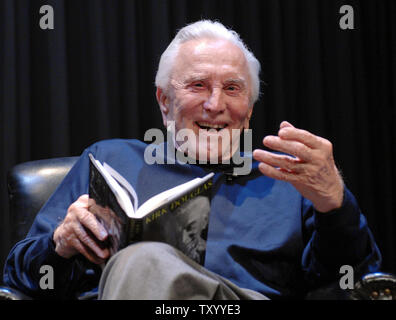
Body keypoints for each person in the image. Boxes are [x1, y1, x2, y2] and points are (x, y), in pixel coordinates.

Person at [3, 20, 381, 300]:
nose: (216, 105)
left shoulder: (288, 177)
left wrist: (333, 202)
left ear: (248, 110)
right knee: (142, 264)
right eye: (198, 85)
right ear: (164, 101)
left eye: (232, 89)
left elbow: (352, 282)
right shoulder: (109, 160)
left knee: (144, 260)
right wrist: (60, 245)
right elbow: (21, 281)